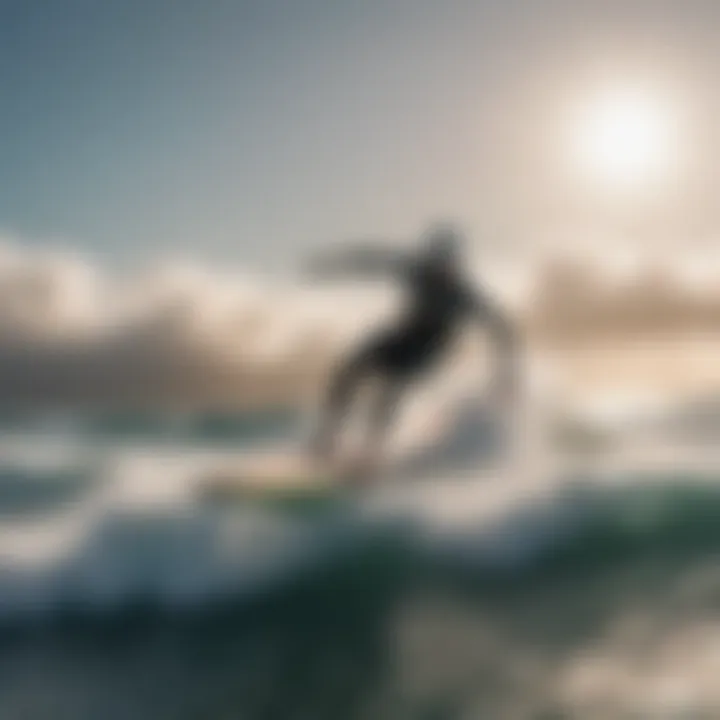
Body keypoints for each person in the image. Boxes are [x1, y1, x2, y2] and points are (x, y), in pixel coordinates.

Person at [309, 223, 520, 463]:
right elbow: (372, 259)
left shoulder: (463, 294)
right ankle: (326, 438)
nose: (441, 268)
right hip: (402, 334)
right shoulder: (418, 270)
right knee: (350, 369)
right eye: (437, 259)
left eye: (447, 262)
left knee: (389, 388)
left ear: (456, 263)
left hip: (430, 348)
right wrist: (332, 264)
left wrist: (507, 376)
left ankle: (370, 453)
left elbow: (501, 330)